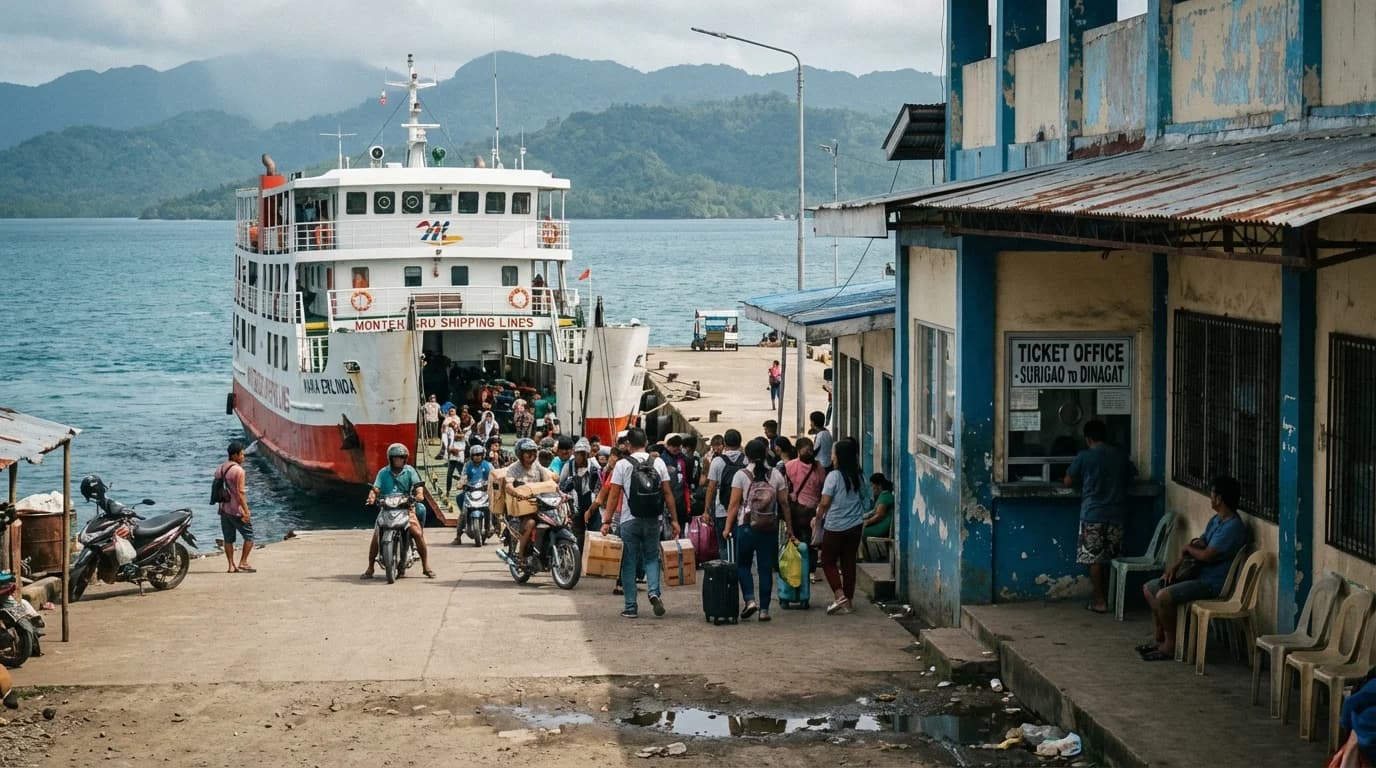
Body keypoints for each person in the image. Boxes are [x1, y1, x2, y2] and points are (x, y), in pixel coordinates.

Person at [1138, 476, 1249, 661]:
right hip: (1197, 574)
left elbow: (1207, 555)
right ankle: (1162, 635)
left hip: (1211, 583)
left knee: (1163, 596)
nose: (1210, 498)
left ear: (1220, 499)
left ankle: (1171, 645)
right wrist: (1178, 562)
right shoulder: (1217, 520)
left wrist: (1189, 548)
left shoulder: (1233, 527)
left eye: (1212, 495)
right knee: (1150, 589)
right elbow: (1202, 542)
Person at [600, 428, 678, 618]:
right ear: (646, 441)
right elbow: (668, 493)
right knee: (652, 557)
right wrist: (674, 520)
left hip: (629, 519)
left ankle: (630, 607)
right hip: (653, 519)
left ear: (628, 445)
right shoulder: (658, 462)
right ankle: (653, 592)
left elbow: (614, 494)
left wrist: (606, 521)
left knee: (628, 562)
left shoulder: (622, 464)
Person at [1064, 419, 1137, 614]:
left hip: (1092, 514)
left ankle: (1100, 600)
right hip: (1116, 514)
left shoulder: (1084, 456)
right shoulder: (1120, 455)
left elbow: (1068, 481)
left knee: (1094, 559)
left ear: (1087, 438)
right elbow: (1132, 475)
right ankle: (1114, 599)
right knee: (1112, 558)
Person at [723, 437, 789, 622]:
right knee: (765, 569)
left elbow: (734, 505)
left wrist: (727, 528)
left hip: (746, 527)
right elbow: (784, 503)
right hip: (769, 528)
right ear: (766, 453)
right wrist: (789, 528)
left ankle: (750, 600)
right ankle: (765, 610)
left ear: (747, 455)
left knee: (743, 565)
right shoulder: (776, 475)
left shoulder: (741, 475)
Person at [362, 443, 434, 579]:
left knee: (418, 533)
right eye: (395, 458)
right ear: (390, 459)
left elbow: (418, 486)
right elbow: (376, 489)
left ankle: (426, 566)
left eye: (401, 458)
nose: (398, 460)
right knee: (377, 535)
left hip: (406, 508)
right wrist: (371, 497)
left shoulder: (410, 471)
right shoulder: (383, 472)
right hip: (387, 508)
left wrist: (419, 494)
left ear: (405, 459)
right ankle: (370, 567)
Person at [817, 437, 866, 615]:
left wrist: (818, 518)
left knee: (827, 560)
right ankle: (849, 602)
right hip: (855, 525)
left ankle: (839, 595)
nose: (831, 456)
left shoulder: (833, 477)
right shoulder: (859, 475)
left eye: (833, 453)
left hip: (835, 525)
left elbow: (824, 502)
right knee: (848, 562)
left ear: (839, 456)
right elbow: (864, 498)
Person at [506, 438, 557, 568]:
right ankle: (521, 556)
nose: (531, 455)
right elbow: (508, 485)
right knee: (530, 524)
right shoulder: (514, 468)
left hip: (541, 506)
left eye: (533, 452)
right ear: (520, 454)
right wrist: (517, 492)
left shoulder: (537, 466)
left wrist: (559, 490)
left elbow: (549, 481)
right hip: (522, 509)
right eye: (527, 452)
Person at [784, 436, 825, 575]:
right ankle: (810, 570)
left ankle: (798, 568)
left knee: (796, 539)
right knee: (811, 541)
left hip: (796, 509)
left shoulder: (790, 466)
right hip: (813, 510)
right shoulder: (819, 467)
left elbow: (786, 487)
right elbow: (822, 486)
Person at [214, 441, 255, 573]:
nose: (244, 457)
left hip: (223, 508)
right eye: (242, 454)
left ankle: (231, 565)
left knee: (228, 538)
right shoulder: (239, 471)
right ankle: (243, 562)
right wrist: (246, 512)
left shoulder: (220, 468)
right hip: (236, 510)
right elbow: (240, 493)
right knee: (249, 536)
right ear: (235, 455)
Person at [702, 429, 746, 543]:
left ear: (725, 443)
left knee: (723, 546)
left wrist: (706, 511)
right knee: (741, 546)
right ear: (740, 442)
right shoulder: (746, 460)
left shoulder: (717, 461)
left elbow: (711, 488)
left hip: (722, 510)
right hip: (743, 511)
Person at [560, 438, 601, 550]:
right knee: (577, 534)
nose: (578, 457)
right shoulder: (569, 466)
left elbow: (600, 486)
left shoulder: (594, 467)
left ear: (586, 455)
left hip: (591, 503)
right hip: (575, 504)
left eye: (581, 454)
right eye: (577, 453)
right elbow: (560, 485)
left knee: (594, 533)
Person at [859, 473, 895, 561]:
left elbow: (879, 515)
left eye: (872, 486)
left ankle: (864, 557)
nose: (872, 488)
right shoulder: (884, 496)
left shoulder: (885, 497)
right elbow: (874, 512)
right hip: (883, 523)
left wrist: (867, 522)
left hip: (883, 526)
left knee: (860, 531)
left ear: (879, 486)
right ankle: (866, 557)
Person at [661, 434, 692, 532]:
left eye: (679, 447)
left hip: (682, 498)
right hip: (667, 500)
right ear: (668, 446)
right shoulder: (662, 460)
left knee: (682, 528)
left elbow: (687, 479)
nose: (677, 450)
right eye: (674, 447)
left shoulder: (684, 459)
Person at [442, 417, 465, 497]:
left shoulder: (460, 433)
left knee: (462, 474)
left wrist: (454, 450)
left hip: (459, 456)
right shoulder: (449, 433)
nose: (454, 426)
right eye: (452, 425)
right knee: (449, 474)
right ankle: (448, 491)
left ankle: (464, 489)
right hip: (452, 456)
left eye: (454, 425)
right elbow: (448, 445)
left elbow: (462, 443)